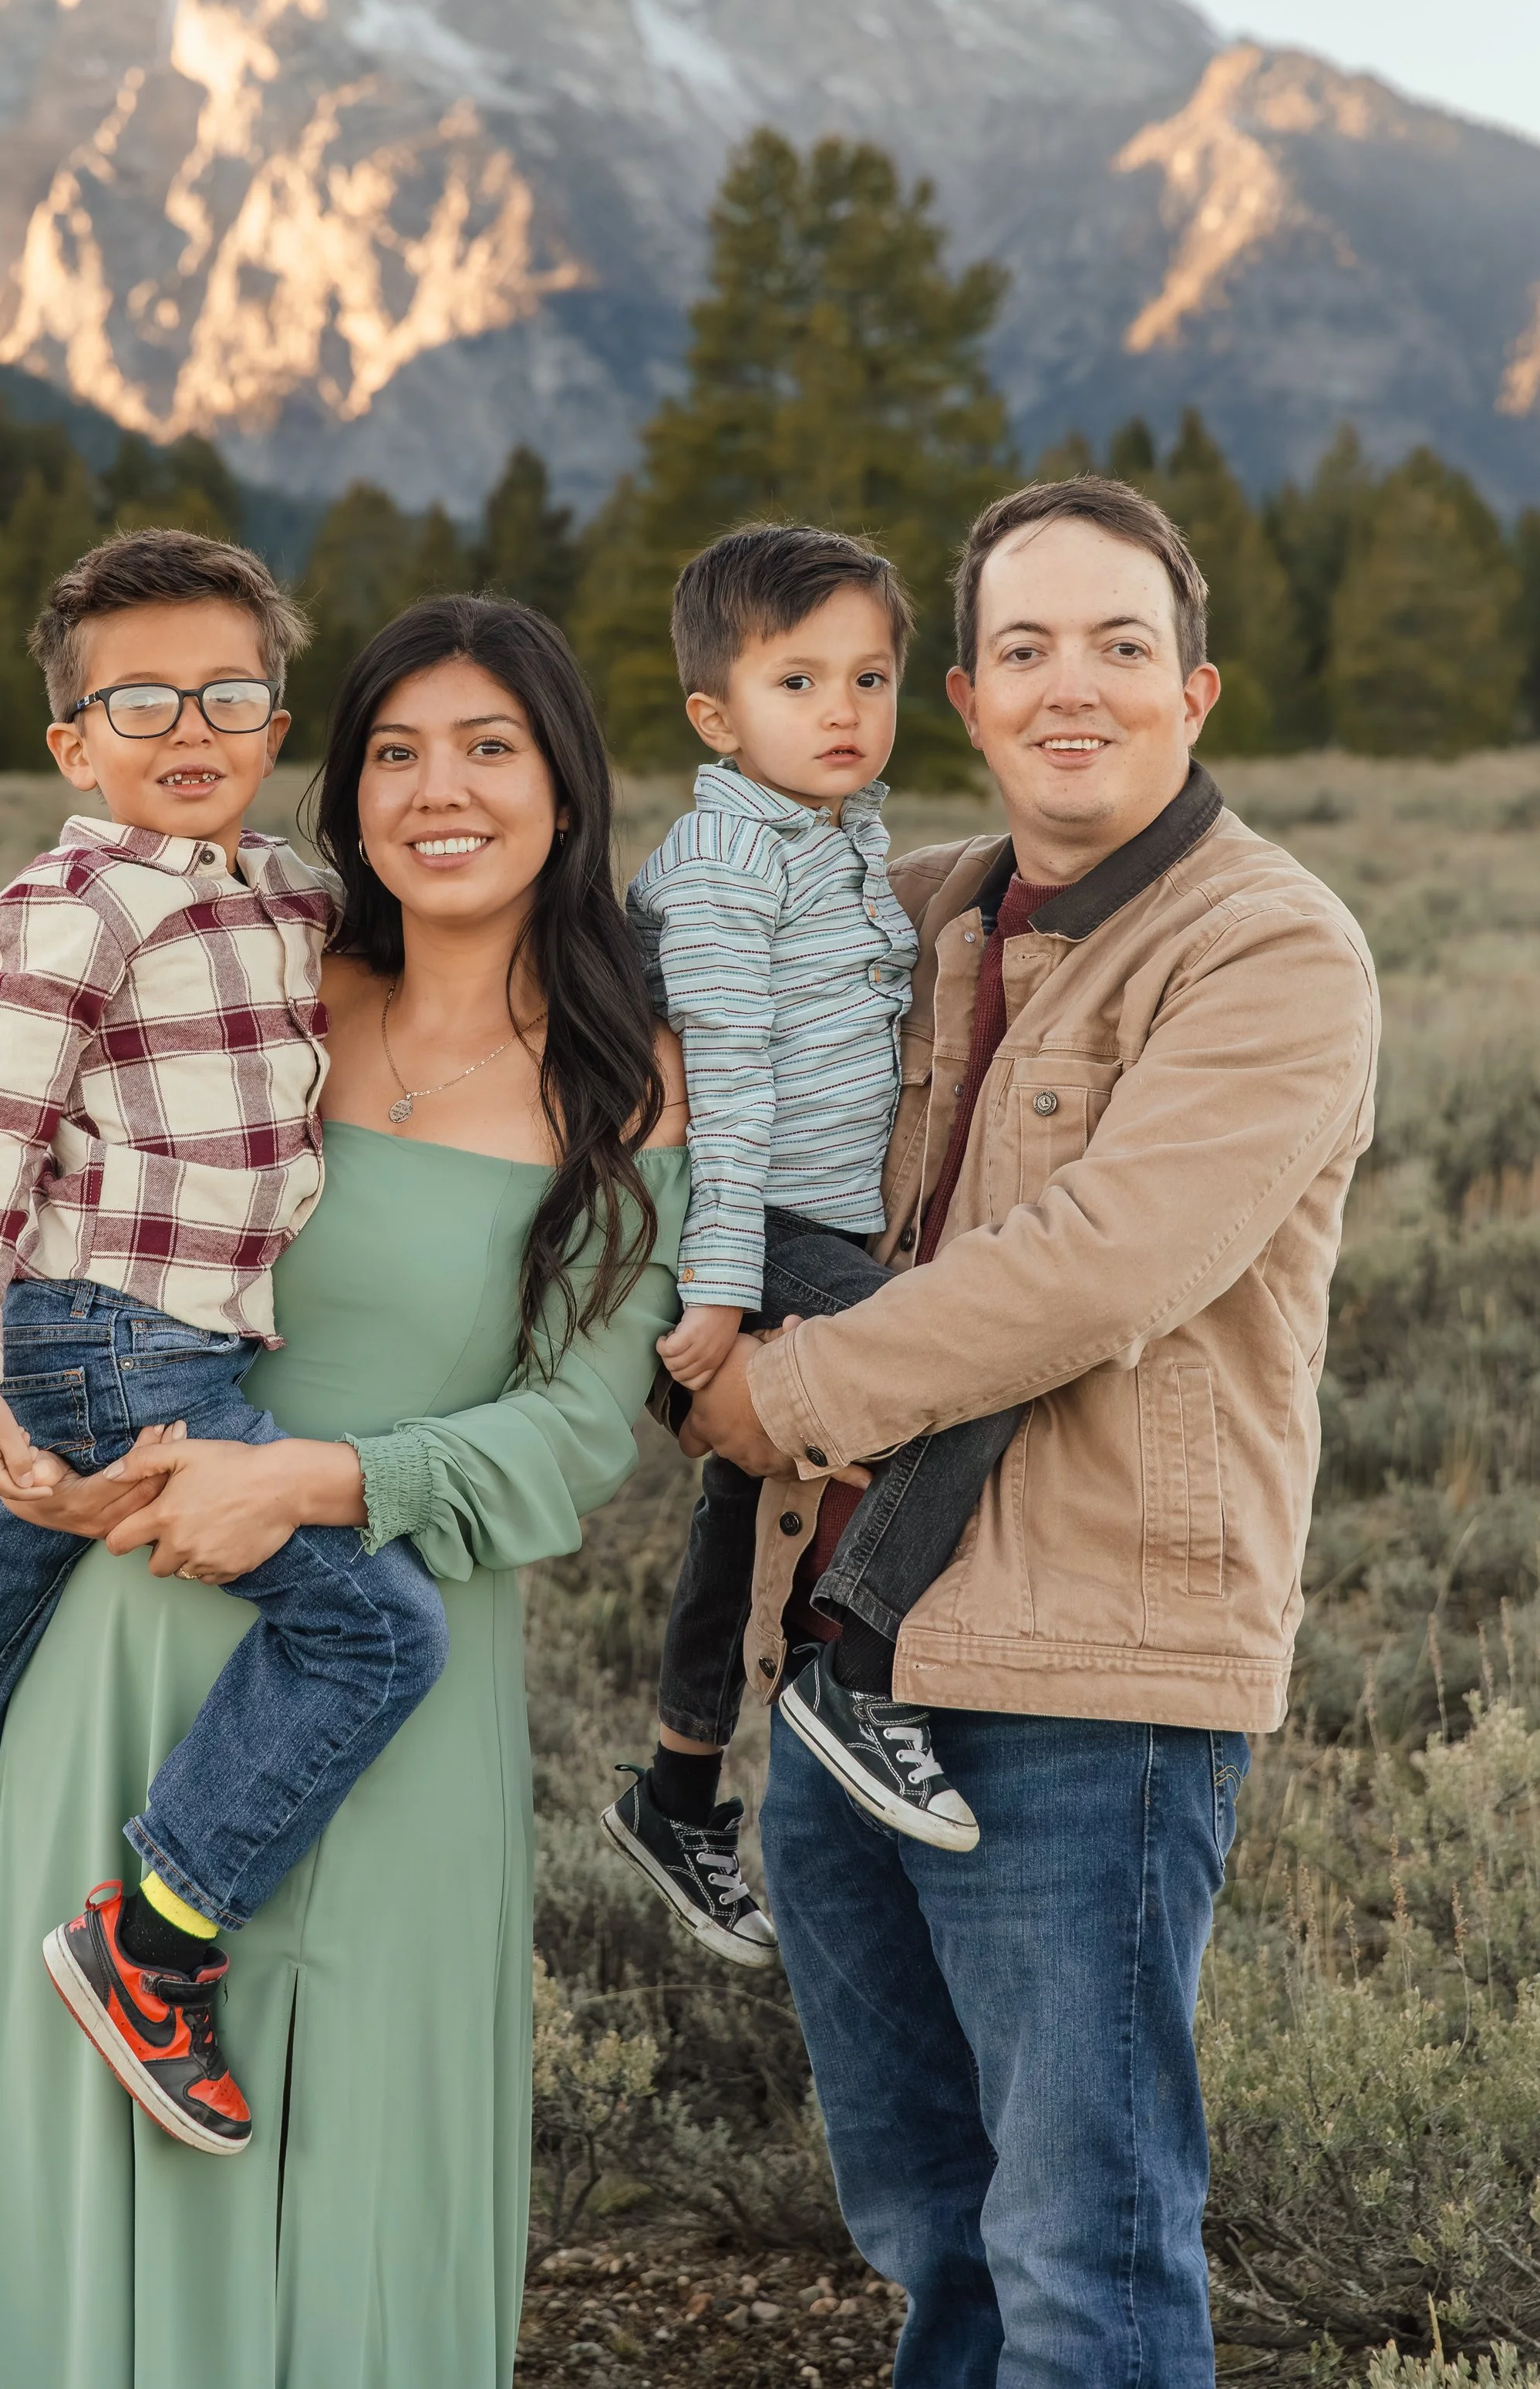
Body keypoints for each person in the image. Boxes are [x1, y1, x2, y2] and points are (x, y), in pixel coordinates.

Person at [0, 595, 689, 2389]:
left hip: (392, 1652)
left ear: (565, 789)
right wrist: (15, 1418)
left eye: (488, 747)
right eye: (396, 754)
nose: (441, 792)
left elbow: (581, 1429)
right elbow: (31, 1215)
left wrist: (322, 1478)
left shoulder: (631, 1084)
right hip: (127, 1629)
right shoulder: (242, 985)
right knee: (99, 2161)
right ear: (340, 800)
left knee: (354, 2159)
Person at [683, 477, 1379, 2387]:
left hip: (1087, 1680)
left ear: (1193, 689)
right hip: (838, 1663)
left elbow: (1096, 1262)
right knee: (934, 2240)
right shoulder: (909, 922)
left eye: (1118, 645)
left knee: (1081, 2249)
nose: (1069, 687)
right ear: (966, 705)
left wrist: (779, 1402)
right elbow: (655, 995)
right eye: (1019, 651)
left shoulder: (1268, 952)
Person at [0, 527, 447, 2156]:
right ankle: (155, 1940)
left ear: (274, 725)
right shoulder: (71, 907)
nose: (189, 731)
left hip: (140, 1340)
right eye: (140, 703)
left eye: (229, 695)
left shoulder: (282, 889)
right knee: (376, 1636)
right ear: (73, 741)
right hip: (115, 1343)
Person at [602, 524, 1028, 1970]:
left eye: (870, 675)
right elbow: (722, 1090)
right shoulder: (729, 863)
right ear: (718, 717)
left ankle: (677, 1788)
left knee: (747, 1485)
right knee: (967, 1372)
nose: (843, 711)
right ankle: (859, 1663)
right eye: (799, 681)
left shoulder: (838, 840)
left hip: (799, 1222)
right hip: (749, 1223)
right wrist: (721, 1286)